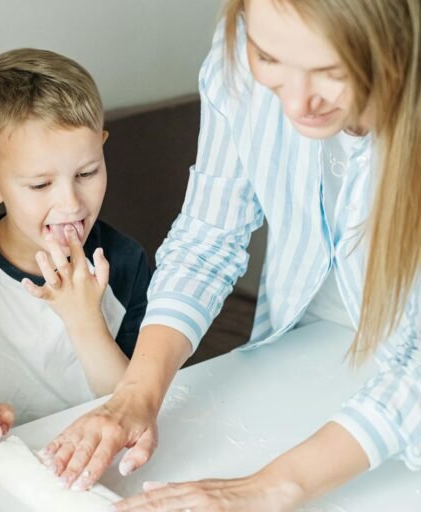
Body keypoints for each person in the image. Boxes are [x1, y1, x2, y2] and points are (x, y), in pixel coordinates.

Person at [41, 0, 421, 509]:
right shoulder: (235, 57)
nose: (297, 104)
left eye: (332, 71)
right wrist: (136, 395)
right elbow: (209, 237)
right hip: (306, 348)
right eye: (269, 58)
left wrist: (275, 485)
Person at [0, 48, 151, 459]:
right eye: (41, 185)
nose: (72, 204)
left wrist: (84, 322)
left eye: (87, 173)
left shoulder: (125, 263)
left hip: (106, 460)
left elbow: (136, 404)